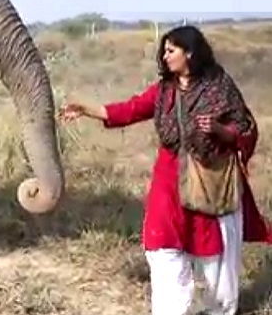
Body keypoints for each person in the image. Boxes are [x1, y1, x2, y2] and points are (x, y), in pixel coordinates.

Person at [60, 25, 272, 315]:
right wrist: (87, 109)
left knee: (216, 264)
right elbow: (131, 109)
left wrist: (221, 130)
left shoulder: (219, 85)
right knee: (164, 250)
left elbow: (246, 129)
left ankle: (219, 310)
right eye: (165, 49)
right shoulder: (164, 91)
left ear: (191, 53)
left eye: (171, 50)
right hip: (169, 184)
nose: (165, 55)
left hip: (210, 184)